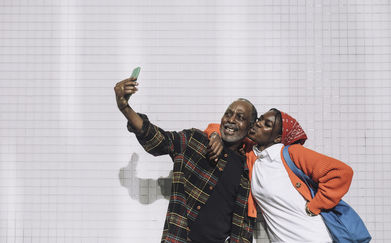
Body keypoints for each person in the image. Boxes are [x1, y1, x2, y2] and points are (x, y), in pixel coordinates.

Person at [114, 77, 257, 243]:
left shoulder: (249, 167)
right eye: (228, 114)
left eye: (240, 117)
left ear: (250, 127)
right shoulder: (195, 141)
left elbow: (242, 225)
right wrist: (125, 108)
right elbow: (158, 139)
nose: (231, 120)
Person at [206, 108, 354, 242]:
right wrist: (214, 135)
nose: (258, 124)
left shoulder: (292, 153)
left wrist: (315, 206)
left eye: (267, 124)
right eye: (260, 119)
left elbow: (341, 172)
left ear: (277, 138)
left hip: (313, 237)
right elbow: (220, 128)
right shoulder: (252, 153)